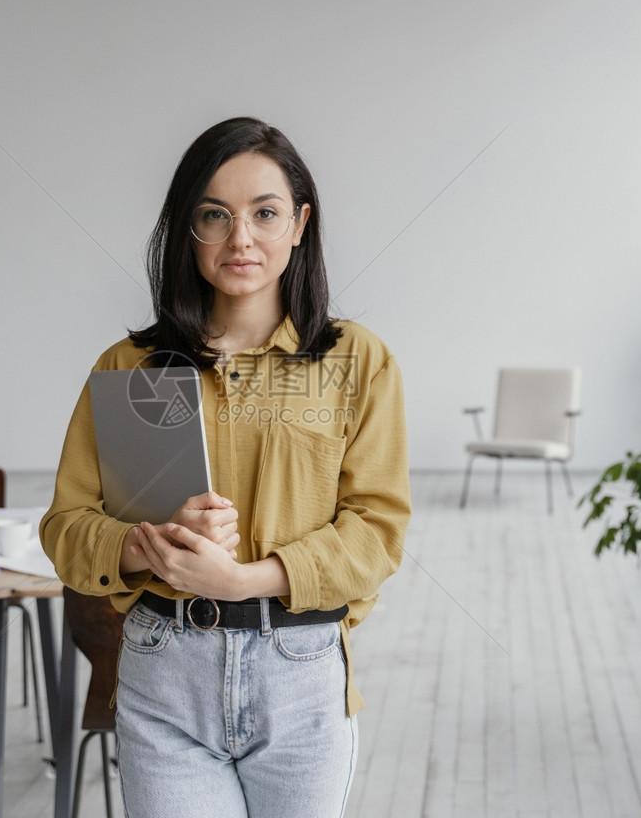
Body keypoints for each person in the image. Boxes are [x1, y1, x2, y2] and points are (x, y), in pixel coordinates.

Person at [40, 116, 411, 818]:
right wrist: (140, 541)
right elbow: (66, 528)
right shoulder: (130, 369)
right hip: (163, 671)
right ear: (188, 229)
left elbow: (376, 534)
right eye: (214, 216)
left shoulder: (357, 361)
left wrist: (244, 578)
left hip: (299, 673)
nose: (241, 239)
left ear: (299, 224)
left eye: (264, 214)